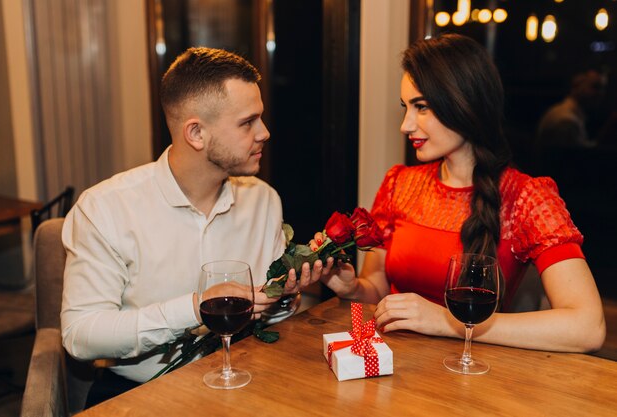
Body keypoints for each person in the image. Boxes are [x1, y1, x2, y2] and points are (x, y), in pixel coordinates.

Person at [293, 34, 606, 353]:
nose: (405, 125)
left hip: (470, 370)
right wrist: (352, 288)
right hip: (395, 364)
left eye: (422, 107)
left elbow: (587, 327)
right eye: (406, 107)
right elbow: (378, 290)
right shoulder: (399, 184)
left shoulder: (527, 197)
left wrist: (448, 322)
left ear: (464, 104)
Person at [61, 47, 284, 403]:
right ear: (196, 133)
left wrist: (284, 297)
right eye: (247, 122)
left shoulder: (264, 201)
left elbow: (270, 318)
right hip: (139, 394)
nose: (264, 132)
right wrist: (193, 308)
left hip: (244, 380)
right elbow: (81, 335)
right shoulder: (105, 208)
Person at [536, 69, 607, 151]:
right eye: (595, 87)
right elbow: (576, 159)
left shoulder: (565, 113)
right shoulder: (566, 120)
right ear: (576, 86)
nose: (601, 94)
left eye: (603, 89)